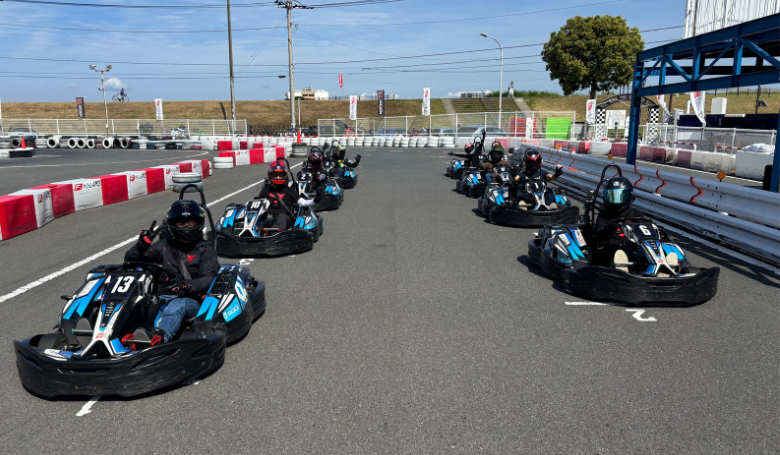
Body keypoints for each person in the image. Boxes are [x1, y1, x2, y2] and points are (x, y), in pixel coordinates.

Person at [122, 199, 219, 347]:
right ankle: (112, 334)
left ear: (199, 223)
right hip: (161, 297)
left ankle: (159, 338)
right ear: (172, 224)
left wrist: (185, 285)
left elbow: (207, 280)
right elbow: (131, 261)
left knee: (177, 305)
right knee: (138, 304)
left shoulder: (205, 249)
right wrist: (141, 245)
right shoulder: (163, 246)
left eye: (190, 223)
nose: (186, 227)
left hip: (191, 300)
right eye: (181, 223)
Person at [593, 176, 661, 272]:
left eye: (620, 196)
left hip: (633, 244)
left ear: (629, 196)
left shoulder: (636, 214)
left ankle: (662, 264)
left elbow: (646, 231)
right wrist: (609, 228)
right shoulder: (603, 216)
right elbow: (598, 236)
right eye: (613, 197)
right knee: (614, 245)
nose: (616, 201)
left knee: (649, 244)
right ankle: (622, 267)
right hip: (613, 245)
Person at [257, 160, 313, 230]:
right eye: (275, 175)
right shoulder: (266, 190)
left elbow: (302, 202)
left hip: (285, 219)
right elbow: (258, 205)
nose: (278, 177)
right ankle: (251, 230)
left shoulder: (290, 190)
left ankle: (277, 231)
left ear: (285, 175)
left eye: (280, 175)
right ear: (270, 175)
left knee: (281, 216)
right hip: (269, 218)